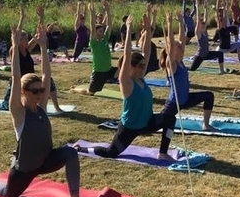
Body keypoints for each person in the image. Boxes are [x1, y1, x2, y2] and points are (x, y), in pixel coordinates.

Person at [0, 7, 89, 197]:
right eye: (36, 91)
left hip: (45, 160)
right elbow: (14, 77)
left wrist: (44, 46)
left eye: (41, 91)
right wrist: (13, 46)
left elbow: (46, 74)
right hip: (24, 170)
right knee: (7, 194)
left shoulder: (41, 108)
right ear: (24, 91)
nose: (40, 94)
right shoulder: (18, 113)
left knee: (71, 154)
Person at [74, 10, 177, 162]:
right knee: (111, 152)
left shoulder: (141, 77)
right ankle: (81, 148)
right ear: (131, 67)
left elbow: (147, 51)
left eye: (144, 65)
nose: (144, 67)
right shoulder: (126, 81)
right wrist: (128, 29)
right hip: (130, 127)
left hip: (147, 123)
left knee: (170, 119)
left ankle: (163, 152)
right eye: (141, 66)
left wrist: (148, 29)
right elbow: (127, 54)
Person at [161, 10, 216, 131]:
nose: (180, 45)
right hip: (174, 103)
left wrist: (181, 21)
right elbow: (171, 41)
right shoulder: (172, 64)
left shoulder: (180, 61)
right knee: (160, 123)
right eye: (177, 45)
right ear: (171, 49)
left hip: (185, 99)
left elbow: (181, 38)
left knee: (209, 96)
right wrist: (169, 24)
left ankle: (206, 125)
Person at [78, 0, 118, 95]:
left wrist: (107, 10)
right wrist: (92, 13)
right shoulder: (93, 43)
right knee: (90, 92)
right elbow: (92, 28)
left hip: (109, 70)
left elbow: (109, 25)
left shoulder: (105, 39)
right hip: (98, 73)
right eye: (100, 31)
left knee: (123, 68)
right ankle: (75, 90)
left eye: (102, 31)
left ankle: (114, 79)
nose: (102, 32)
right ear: (95, 33)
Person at [189, 0, 227, 74]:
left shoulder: (205, 31)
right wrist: (197, 8)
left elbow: (206, 19)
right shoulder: (198, 32)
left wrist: (205, 8)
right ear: (199, 25)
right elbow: (198, 19)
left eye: (203, 23)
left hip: (207, 54)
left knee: (220, 54)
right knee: (192, 69)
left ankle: (222, 71)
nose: (203, 24)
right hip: (200, 56)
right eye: (201, 23)